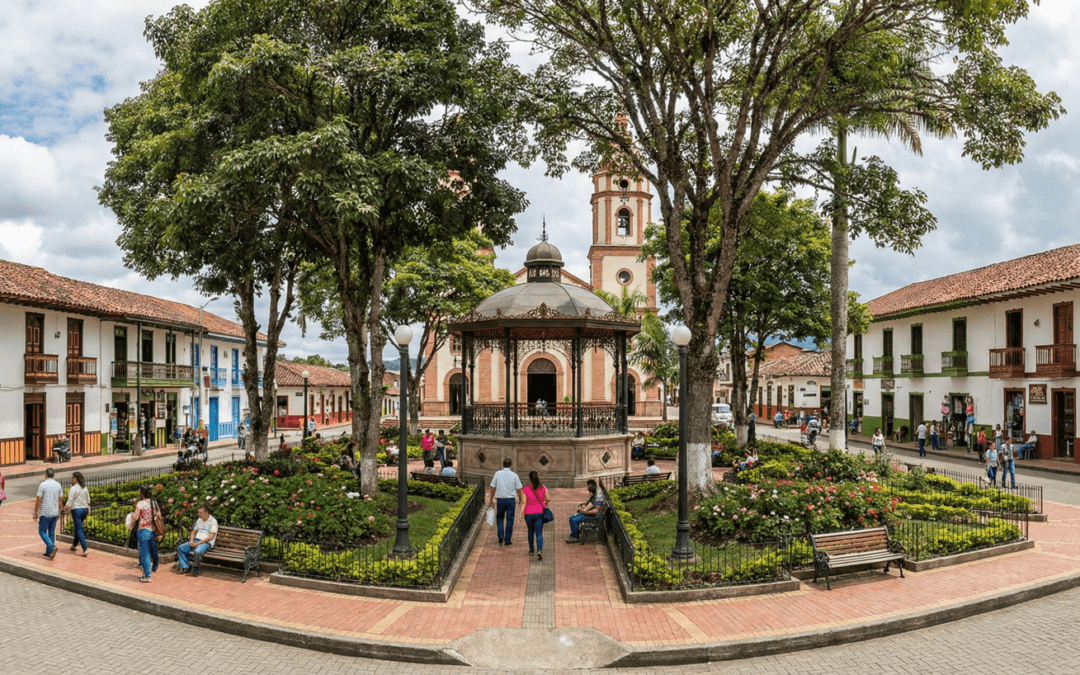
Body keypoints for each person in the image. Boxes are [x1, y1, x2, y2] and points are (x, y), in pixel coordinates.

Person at [487, 458, 524, 546]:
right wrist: (521, 499)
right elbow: (519, 489)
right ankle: (507, 540)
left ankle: (500, 536)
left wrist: (491, 499)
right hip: (511, 500)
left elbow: (492, 487)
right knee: (510, 520)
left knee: (499, 518)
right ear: (511, 465)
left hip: (500, 499)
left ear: (503, 464)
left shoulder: (497, 474)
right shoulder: (514, 475)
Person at [177, 504, 218, 577]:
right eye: (198, 513)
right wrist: (191, 541)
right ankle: (185, 567)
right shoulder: (199, 520)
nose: (199, 515)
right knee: (181, 547)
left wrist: (198, 543)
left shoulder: (213, 521)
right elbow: (193, 532)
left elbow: (211, 536)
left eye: (201, 513)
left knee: (197, 551)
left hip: (206, 543)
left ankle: (195, 568)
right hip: (196, 540)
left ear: (206, 512)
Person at [132, 485, 162, 582]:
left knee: (144, 554)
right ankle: (149, 570)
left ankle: (147, 576)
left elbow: (136, 517)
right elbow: (159, 516)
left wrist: (131, 519)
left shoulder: (140, 504)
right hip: (152, 530)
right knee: (151, 550)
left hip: (143, 530)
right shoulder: (154, 503)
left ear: (142, 494)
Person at [32, 468, 63, 560]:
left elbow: (38, 500)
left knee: (42, 531)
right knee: (51, 532)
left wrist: (35, 512)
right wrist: (59, 512)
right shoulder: (58, 485)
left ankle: (51, 546)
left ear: (46, 475)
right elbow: (60, 500)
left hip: (45, 512)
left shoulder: (43, 485)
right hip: (54, 512)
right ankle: (49, 552)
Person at [523, 471, 549, 560]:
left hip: (528, 513)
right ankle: (539, 550)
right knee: (539, 533)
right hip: (539, 512)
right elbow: (548, 498)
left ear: (529, 479)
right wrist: (545, 504)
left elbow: (523, 502)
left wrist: (520, 513)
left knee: (530, 531)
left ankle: (531, 550)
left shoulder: (525, 489)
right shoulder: (543, 487)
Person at [63, 471, 90, 557]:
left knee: (79, 529)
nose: (71, 479)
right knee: (78, 527)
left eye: (73, 477)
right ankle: (74, 545)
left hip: (77, 510)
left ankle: (85, 549)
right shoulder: (84, 488)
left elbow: (70, 501)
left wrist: (65, 508)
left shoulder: (73, 489)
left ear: (76, 479)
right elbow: (88, 500)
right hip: (84, 510)